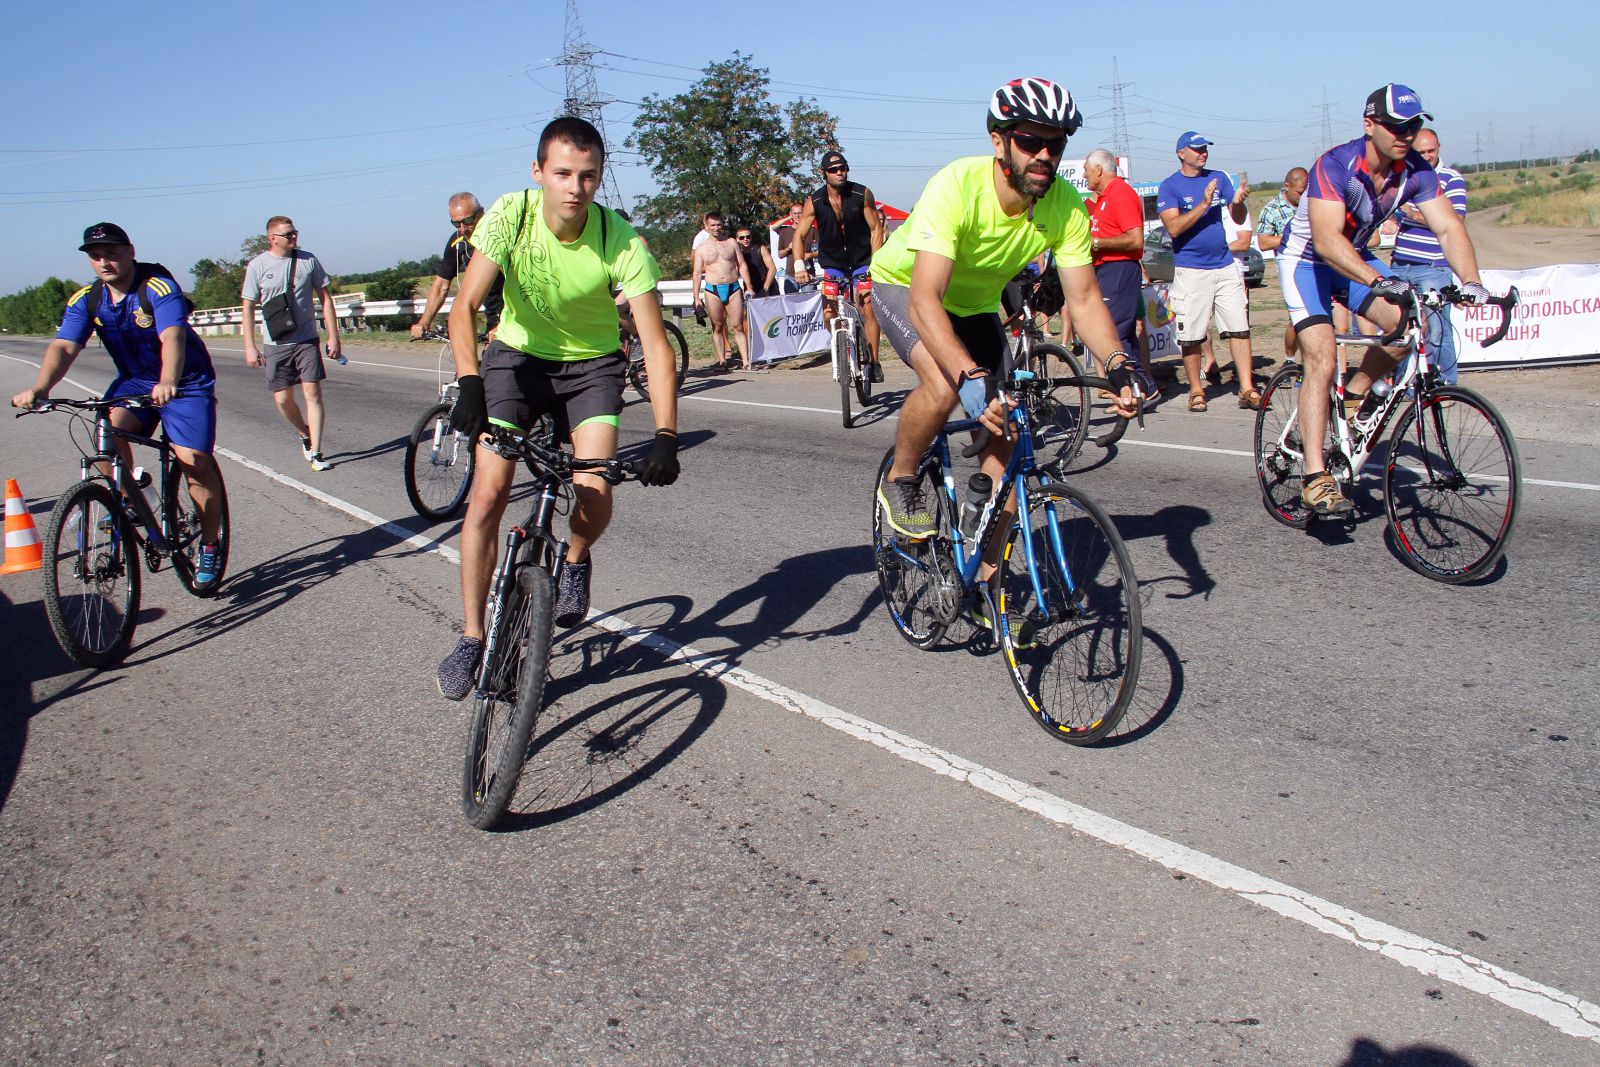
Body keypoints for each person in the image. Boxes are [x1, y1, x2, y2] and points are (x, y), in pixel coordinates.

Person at [870, 77, 1137, 634]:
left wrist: (1117, 364)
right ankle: (902, 477)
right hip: (906, 287)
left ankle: (983, 580)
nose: (1044, 155)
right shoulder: (958, 186)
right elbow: (924, 300)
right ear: (1000, 142)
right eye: (1030, 141)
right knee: (945, 387)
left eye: (1055, 144)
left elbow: (1085, 300)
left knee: (1009, 436)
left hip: (974, 307)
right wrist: (969, 376)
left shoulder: (1065, 207)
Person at [434, 116, 682, 701]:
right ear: (539, 172)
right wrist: (469, 383)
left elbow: (655, 345)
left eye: (588, 176)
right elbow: (464, 306)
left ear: (600, 177)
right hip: (516, 360)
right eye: (563, 173)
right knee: (489, 493)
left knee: (594, 489)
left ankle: (574, 557)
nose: (575, 187)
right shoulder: (511, 215)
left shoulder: (619, 239)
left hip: (591, 367)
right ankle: (472, 636)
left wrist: (667, 434)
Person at [1277, 84, 1495, 515]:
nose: (1405, 134)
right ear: (1369, 124)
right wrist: (1380, 279)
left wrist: (1471, 281)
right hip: (1306, 261)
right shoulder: (1336, 165)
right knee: (1322, 355)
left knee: (1410, 324)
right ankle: (1315, 477)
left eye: (1412, 126)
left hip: (1353, 258)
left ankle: (1355, 393)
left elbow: (1448, 227)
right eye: (1395, 126)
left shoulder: (1416, 170)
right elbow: (1326, 241)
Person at [11, 224, 224, 585]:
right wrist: (41, 387)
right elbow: (64, 346)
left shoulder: (157, 288)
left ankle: (210, 545)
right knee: (107, 433)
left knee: (195, 463)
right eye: (96, 256)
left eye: (111, 252)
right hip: (135, 381)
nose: (104, 261)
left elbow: (172, 336)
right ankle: (131, 500)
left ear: (130, 251)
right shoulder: (87, 300)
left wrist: (168, 380)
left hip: (184, 382)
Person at [1157, 133, 1257, 411]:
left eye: (1205, 149)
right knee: (1191, 335)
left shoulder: (1219, 177)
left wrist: (1238, 201)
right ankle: (1196, 390)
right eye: (1197, 149)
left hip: (1224, 265)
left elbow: (1237, 217)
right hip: (1191, 270)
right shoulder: (1170, 186)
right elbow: (1173, 228)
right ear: (1181, 153)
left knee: (1239, 328)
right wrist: (1203, 204)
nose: (1203, 153)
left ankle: (1247, 388)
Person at [241, 216, 343, 471]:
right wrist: (250, 346)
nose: (294, 237)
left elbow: (325, 298)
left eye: (295, 232)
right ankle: (304, 433)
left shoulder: (308, 260)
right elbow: (248, 306)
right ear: (272, 238)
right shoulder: (257, 266)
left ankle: (317, 453)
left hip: (306, 338)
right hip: (276, 342)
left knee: (312, 394)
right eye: (288, 234)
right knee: (282, 400)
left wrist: (333, 336)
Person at [1383, 128, 1469, 384]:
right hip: (1401, 263)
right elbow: (1391, 211)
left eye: (1431, 150)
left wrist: (1412, 215)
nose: (1427, 156)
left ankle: (1446, 383)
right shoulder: (1404, 177)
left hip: (1432, 266)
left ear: (1439, 148)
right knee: (1402, 329)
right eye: (1420, 152)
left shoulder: (1451, 179)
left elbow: (1455, 222)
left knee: (1437, 330)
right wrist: (1393, 219)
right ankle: (1405, 385)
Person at [792, 151, 887, 381]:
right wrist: (799, 266)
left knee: (867, 306)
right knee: (829, 312)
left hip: (861, 261)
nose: (839, 172)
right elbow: (799, 235)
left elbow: (876, 229)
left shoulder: (862, 193)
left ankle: (874, 362)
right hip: (833, 263)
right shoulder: (814, 201)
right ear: (823, 173)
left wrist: (876, 263)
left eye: (843, 168)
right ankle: (840, 342)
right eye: (833, 170)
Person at [1083, 148, 1145, 380]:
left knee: (1112, 333)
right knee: (1122, 334)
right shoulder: (1105, 197)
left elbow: (1135, 239)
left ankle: (1134, 387)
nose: (1084, 175)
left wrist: (1095, 243)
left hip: (1119, 269)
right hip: (1108, 270)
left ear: (1099, 170)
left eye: (1087, 170)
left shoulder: (1120, 193)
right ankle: (1143, 387)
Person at [410, 192, 505, 341]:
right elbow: (441, 285)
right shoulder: (459, 242)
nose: (462, 228)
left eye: (468, 221)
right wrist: (424, 322)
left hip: (519, 317)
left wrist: (504, 324)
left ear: (481, 213)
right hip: (494, 318)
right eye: (456, 223)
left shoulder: (501, 235)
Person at [1255, 167, 1308, 361]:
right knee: (1297, 318)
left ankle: (1313, 362)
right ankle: (1290, 359)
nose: (1303, 196)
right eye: (1300, 192)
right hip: (1291, 268)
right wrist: (1295, 238)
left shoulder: (1313, 204)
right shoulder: (1272, 209)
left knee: (1318, 318)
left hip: (1317, 265)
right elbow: (1264, 242)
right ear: (1287, 186)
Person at [690, 211, 754, 372]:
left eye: (718, 224)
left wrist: (749, 287)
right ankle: (722, 361)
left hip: (733, 288)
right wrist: (696, 297)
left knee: (738, 326)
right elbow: (696, 273)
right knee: (717, 326)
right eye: (712, 225)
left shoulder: (731, 242)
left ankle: (746, 361)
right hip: (713, 290)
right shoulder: (701, 248)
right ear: (706, 226)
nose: (716, 228)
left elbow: (742, 265)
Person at [735, 225, 775, 297]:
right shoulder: (738, 254)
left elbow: (772, 269)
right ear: (737, 239)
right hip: (750, 290)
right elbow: (735, 274)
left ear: (751, 237)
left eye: (748, 237)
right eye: (742, 237)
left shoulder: (761, 249)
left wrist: (766, 288)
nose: (745, 239)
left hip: (767, 287)